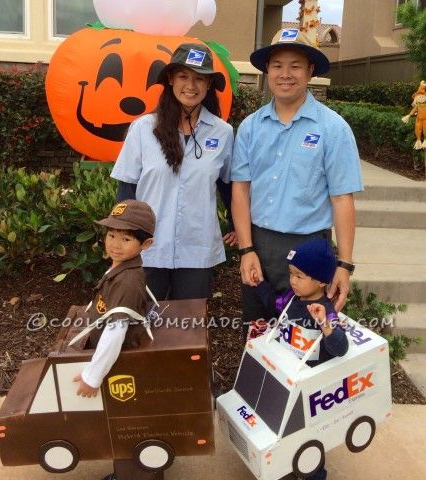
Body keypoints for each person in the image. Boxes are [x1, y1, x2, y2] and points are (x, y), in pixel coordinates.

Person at [231, 28, 363, 341]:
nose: (285, 74)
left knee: (306, 339)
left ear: (310, 70)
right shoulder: (251, 127)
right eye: (277, 65)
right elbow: (240, 189)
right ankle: (257, 388)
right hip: (260, 244)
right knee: (258, 333)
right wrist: (247, 249)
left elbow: (342, 199)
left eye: (295, 65)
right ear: (267, 70)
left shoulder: (333, 129)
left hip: (310, 250)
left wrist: (344, 264)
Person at [111, 42, 236, 301]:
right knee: (142, 324)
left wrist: (236, 224)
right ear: (170, 79)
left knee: (188, 326)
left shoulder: (223, 132)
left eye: (199, 78)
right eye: (183, 76)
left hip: (197, 247)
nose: (191, 86)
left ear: (210, 84)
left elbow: (227, 184)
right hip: (148, 246)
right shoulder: (143, 129)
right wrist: (123, 239)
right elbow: (127, 188)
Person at [250, 238, 348, 480]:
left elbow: (340, 347)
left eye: (300, 276)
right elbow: (275, 304)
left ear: (321, 281)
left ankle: (315, 473)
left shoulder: (326, 310)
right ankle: (286, 466)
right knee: (287, 430)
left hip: (310, 387)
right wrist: (260, 284)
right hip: (287, 376)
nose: (292, 280)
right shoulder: (292, 300)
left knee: (309, 435)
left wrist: (325, 323)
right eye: (291, 273)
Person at [70, 199, 155, 398]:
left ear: (146, 244)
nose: (115, 244)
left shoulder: (127, 282)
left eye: (126, 239)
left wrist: (92, 377)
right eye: (111, 235)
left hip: (117, 352)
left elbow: (115, 334)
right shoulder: (121, 268)